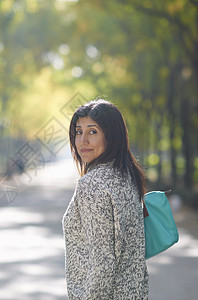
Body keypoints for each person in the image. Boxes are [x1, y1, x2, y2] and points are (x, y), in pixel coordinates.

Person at [62, 99, 148, 299]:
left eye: (92, 132)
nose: (83, 140)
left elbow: (103, 263)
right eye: (78, 132)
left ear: (111, 136)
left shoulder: (92, 184)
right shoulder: (127, 177)